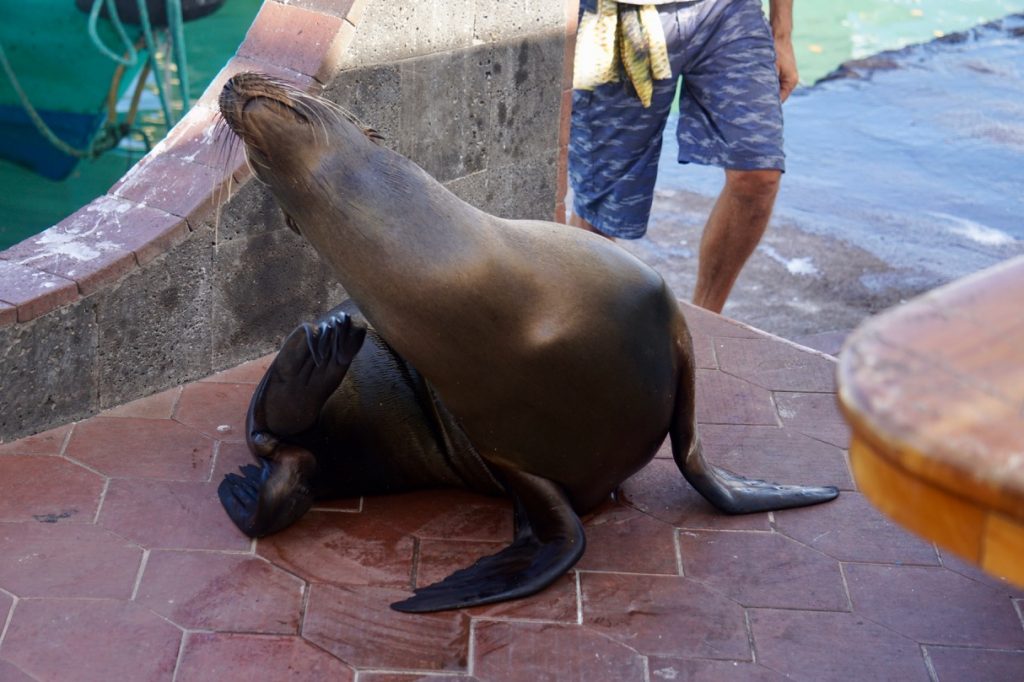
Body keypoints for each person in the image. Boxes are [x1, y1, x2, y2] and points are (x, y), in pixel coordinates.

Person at [568, 0, 799, 313]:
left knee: (759, 172)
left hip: (728, 11)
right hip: (627, 16)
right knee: (602, 207)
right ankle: (585, 324)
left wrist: (782, 32)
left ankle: (706, 318)